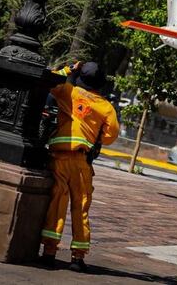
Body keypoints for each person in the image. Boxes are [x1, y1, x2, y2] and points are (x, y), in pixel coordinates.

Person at [40, 61, 119, 272]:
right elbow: (110, 136)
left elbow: (47, 79)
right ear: (101, 84)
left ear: (81, 77)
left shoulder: (69, 92)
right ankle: (77, 257)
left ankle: (49, 253)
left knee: (57, 202)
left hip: (59, 158)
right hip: (82, 162)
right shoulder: (106, 108)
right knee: (80, 207)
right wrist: (96, 135)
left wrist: (68, 70)